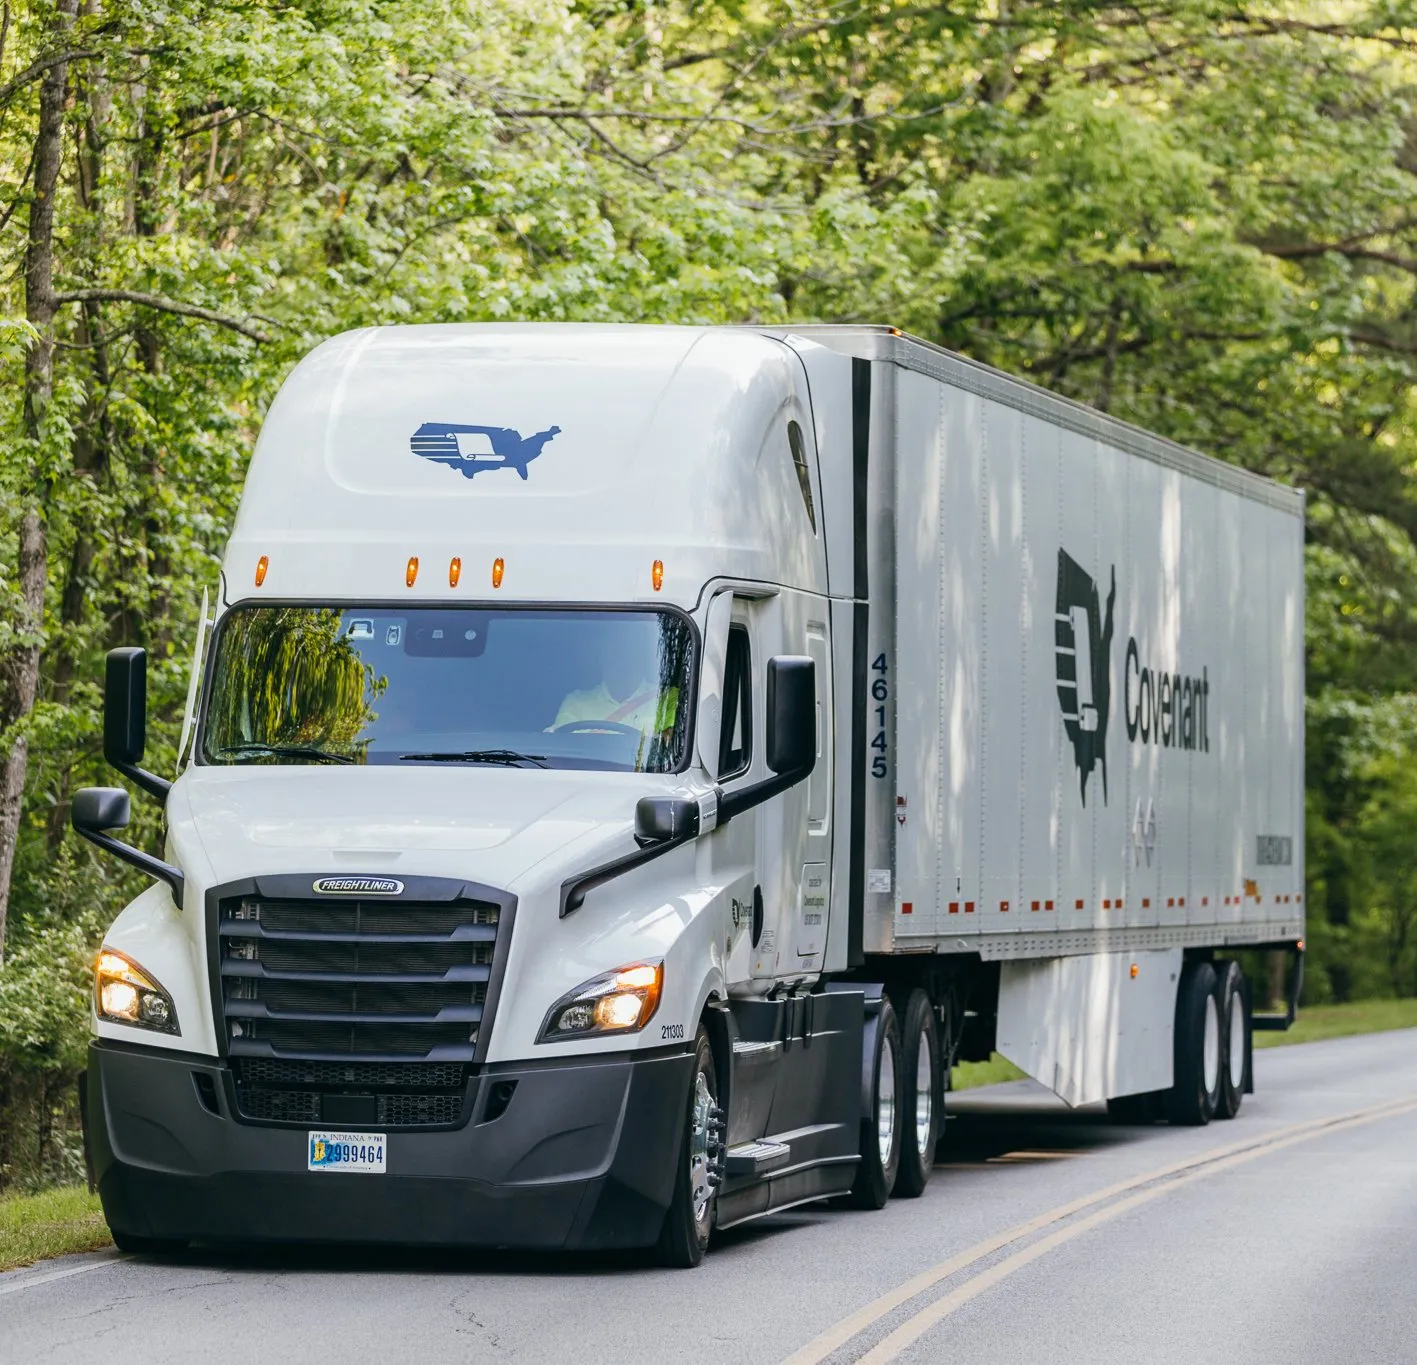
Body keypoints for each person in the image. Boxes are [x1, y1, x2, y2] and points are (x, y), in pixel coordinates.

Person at [552, 628, 679, 743]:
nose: (622, 662)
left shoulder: (667, 697)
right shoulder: (576, 702)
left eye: (629, 653)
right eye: (614, 654)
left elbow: (674, 741)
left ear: (642, 657)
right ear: (601, 659)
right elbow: (561, 744)